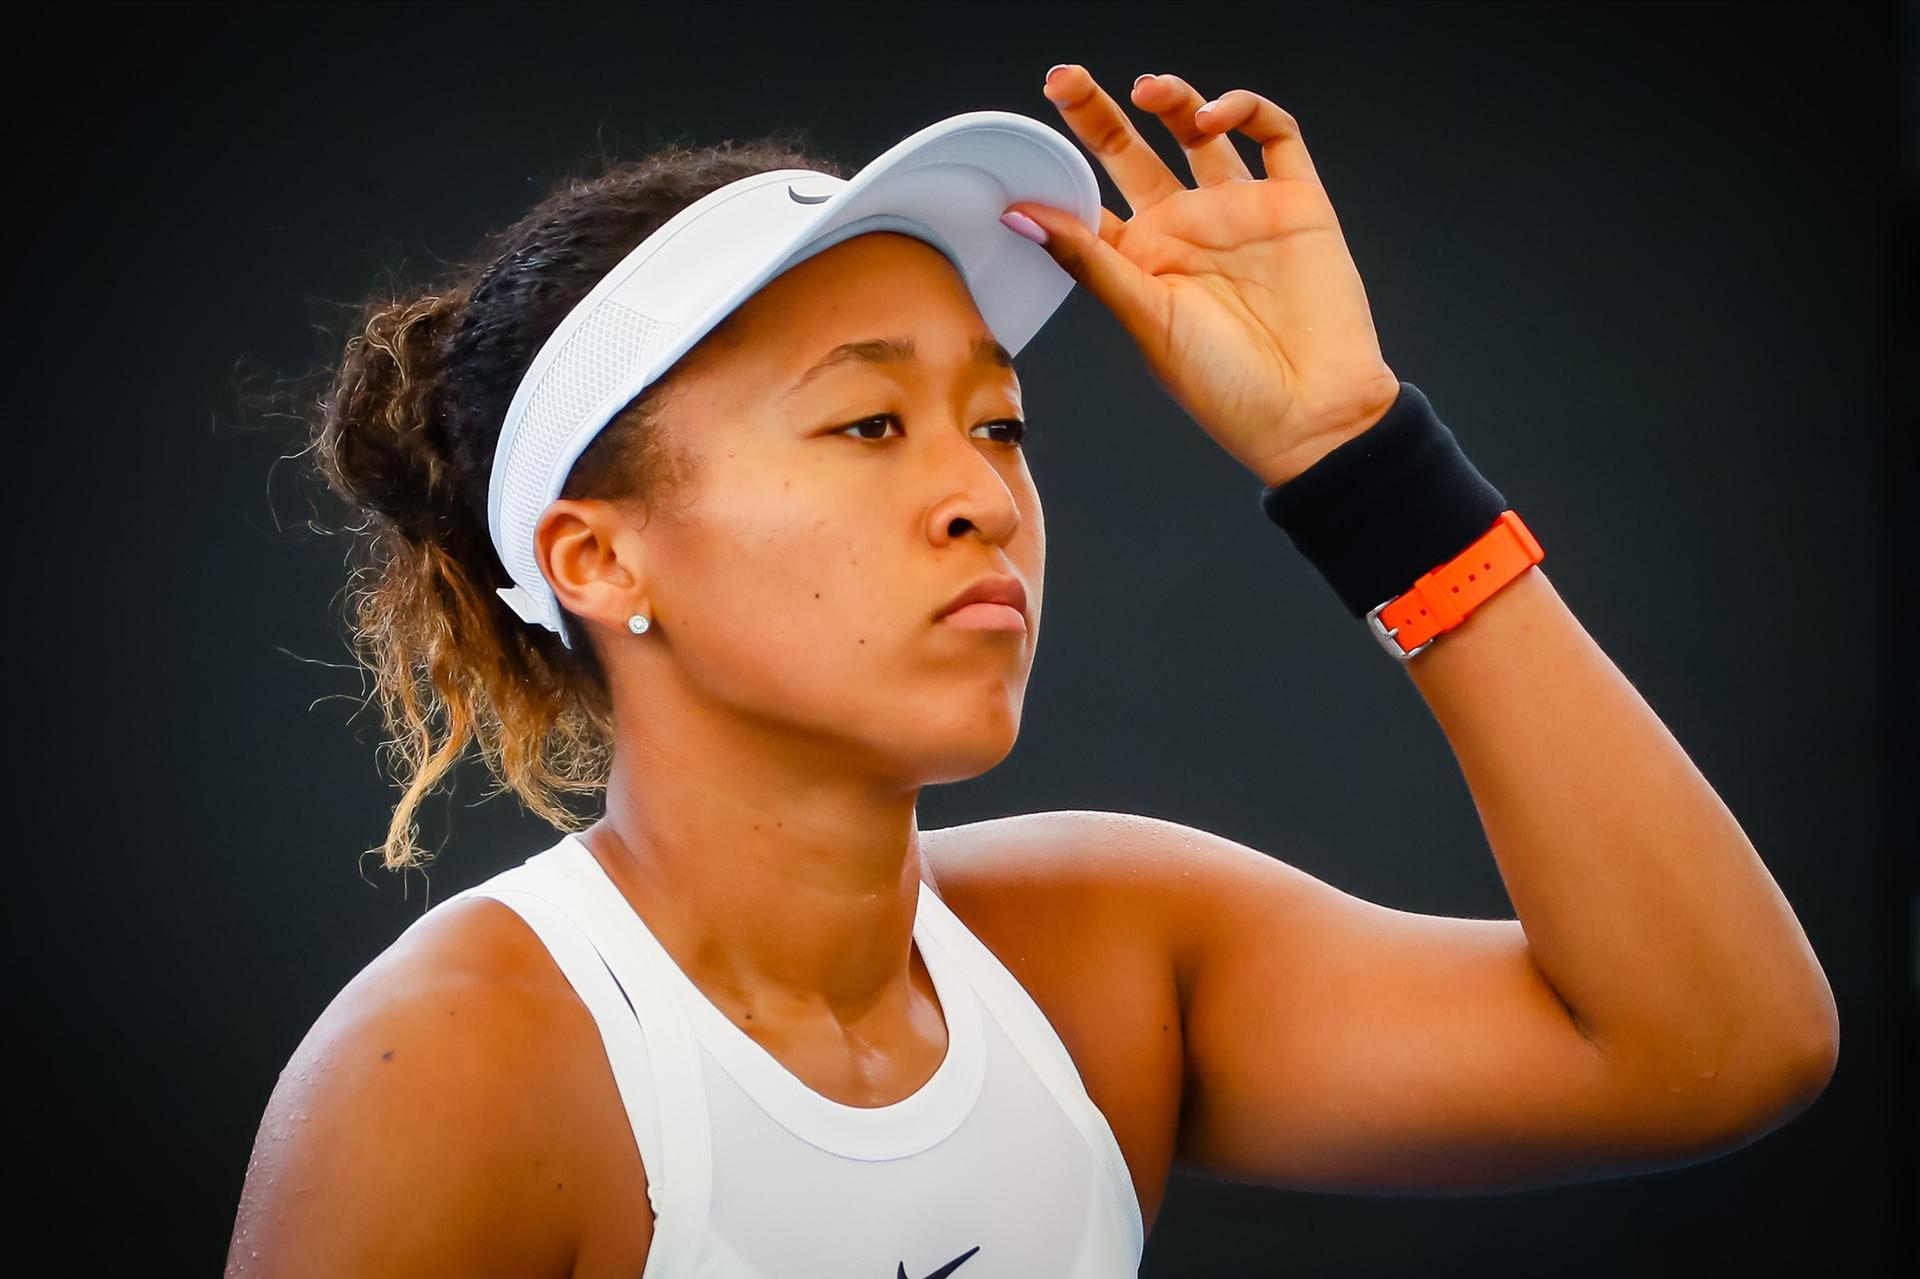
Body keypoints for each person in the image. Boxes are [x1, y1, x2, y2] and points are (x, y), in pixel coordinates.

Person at [226, 65, 1838, 1278]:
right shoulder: (455, 1070)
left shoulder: (1107, 957)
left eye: (999, 423)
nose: (981, 493)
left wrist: (1359, 459)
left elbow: (1712, 1045)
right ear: (599, 559)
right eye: (869, 423)